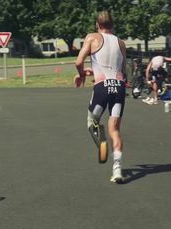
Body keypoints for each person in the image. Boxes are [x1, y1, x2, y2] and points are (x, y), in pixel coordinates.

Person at [74, 10, 126, 183]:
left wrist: (81, 74)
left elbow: (78, 62)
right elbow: (121, 71)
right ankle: (117, 168)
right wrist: (93, 72)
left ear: (97, 24)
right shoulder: (121, 42)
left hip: (102, 87)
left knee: (92, 121)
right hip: (118, 87)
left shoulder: (92, 37)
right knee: (115, 129)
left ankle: (101, 141)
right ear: (113, 25)